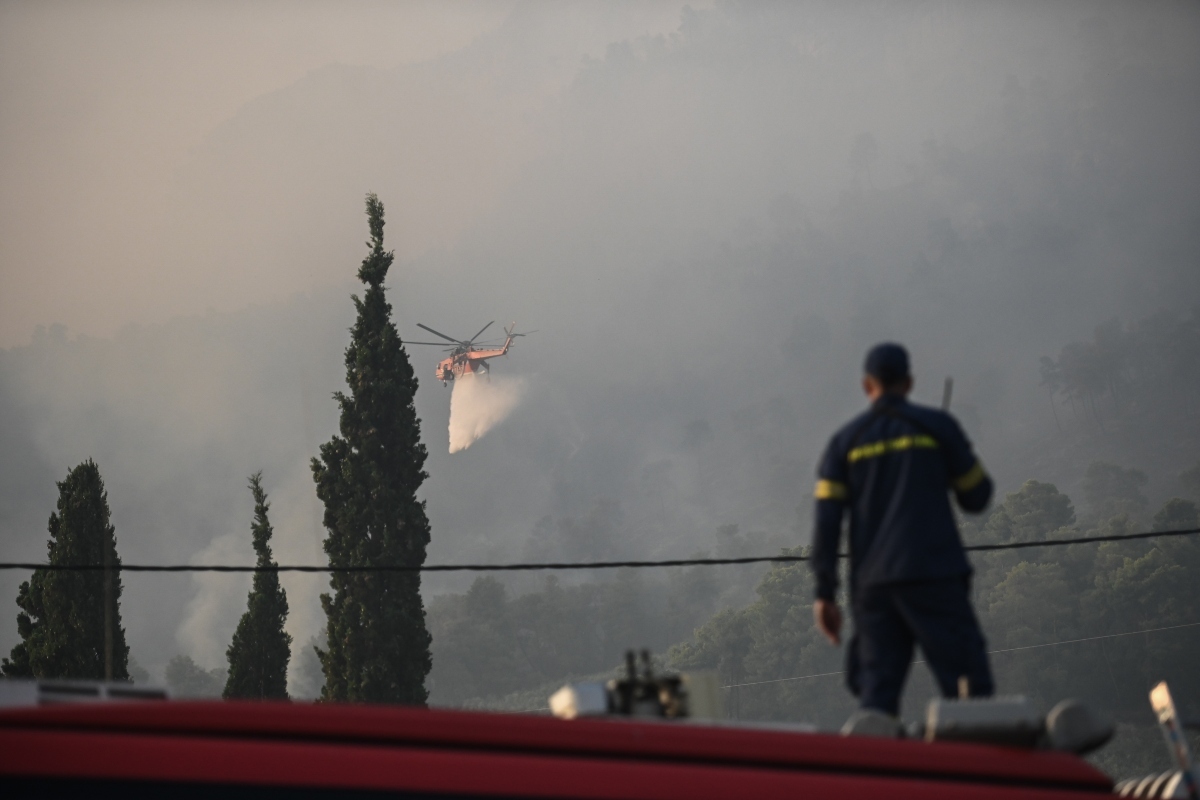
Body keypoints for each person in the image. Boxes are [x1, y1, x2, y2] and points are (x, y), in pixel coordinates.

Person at [811, 342, 994, 721]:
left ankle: (879, 773)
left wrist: (824, 594)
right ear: (909, 383)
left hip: (874, 587)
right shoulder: (937, 427)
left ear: (867, 386)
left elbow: (827, 523)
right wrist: (949, 462)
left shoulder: (846, 442)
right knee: (969, 691)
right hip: (935, 577)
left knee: (876, 697)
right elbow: (977, 496)